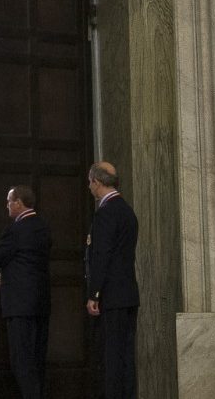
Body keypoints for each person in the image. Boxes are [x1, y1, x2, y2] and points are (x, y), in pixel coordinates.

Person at [0, 185, 51, 399]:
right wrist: (7, 279)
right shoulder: (43, 227)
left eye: (9, 201)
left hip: (19, 306)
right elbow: (28, 265)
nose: (7, 205)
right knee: (37, 360)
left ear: (18, 202)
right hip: (40, 304)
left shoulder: (16, 229)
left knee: (22, 361)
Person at [84, 161, 139, 399]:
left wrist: (94, 293)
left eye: (89, 182)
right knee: (126, 357)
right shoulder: (127, 210)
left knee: (111, 358)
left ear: (97, 182)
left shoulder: (106, 213)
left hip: (111, 297)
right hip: (128, 294)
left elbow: (102, 255)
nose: (89, 187)